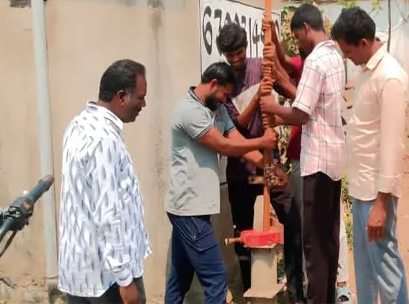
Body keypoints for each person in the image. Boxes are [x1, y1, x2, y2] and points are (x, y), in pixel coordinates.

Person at [164, 62, 278, 304]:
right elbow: (224, 146)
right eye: (224, 94)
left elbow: (237, 142)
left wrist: (266, 165)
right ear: (213, 84)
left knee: (179, 279)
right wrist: (262, 141)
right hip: (189, 209)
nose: (226, 100)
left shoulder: (217, 109)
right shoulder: (188, 110)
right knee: (216, 279)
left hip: (195, 209)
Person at [260, 3, 346, 304]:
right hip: (333, 160)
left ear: (307, 28)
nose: (298, 42)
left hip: (317, 163)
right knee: (327, 241)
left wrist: (272, 108)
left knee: (314, 246)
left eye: (297, 36)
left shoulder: (315, 61)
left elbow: (302, 113)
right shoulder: (335, 56)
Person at [215, 22, 305, 304]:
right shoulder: (222, 81)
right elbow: (237, 127)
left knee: (292, 218)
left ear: (246, 47)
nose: (235, 59)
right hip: (241, 167)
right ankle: (250, 292)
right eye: (230, 55)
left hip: (269, 165)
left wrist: (275, 70)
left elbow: (292, 90)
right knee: (243, 233)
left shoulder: (261, 67)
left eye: (239, 52)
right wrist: (257, 96)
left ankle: (295, 291)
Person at [330, 7, 409, 304]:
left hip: (377, 193)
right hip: (361, 188)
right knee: (365, 269)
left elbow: (392, 145)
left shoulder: (389, 77)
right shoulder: (366, 72)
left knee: (386, 268)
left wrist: (381, 204)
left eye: (348, 51)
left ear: (363, 43)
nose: (346, 57)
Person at [58, 59, 150, 304]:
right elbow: (107, 213)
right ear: (121, 97)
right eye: (140, 98)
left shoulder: (78, 125)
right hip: (107, 279)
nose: (143, 104)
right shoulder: (104, 139)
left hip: (80, 271)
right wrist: (125, 279)